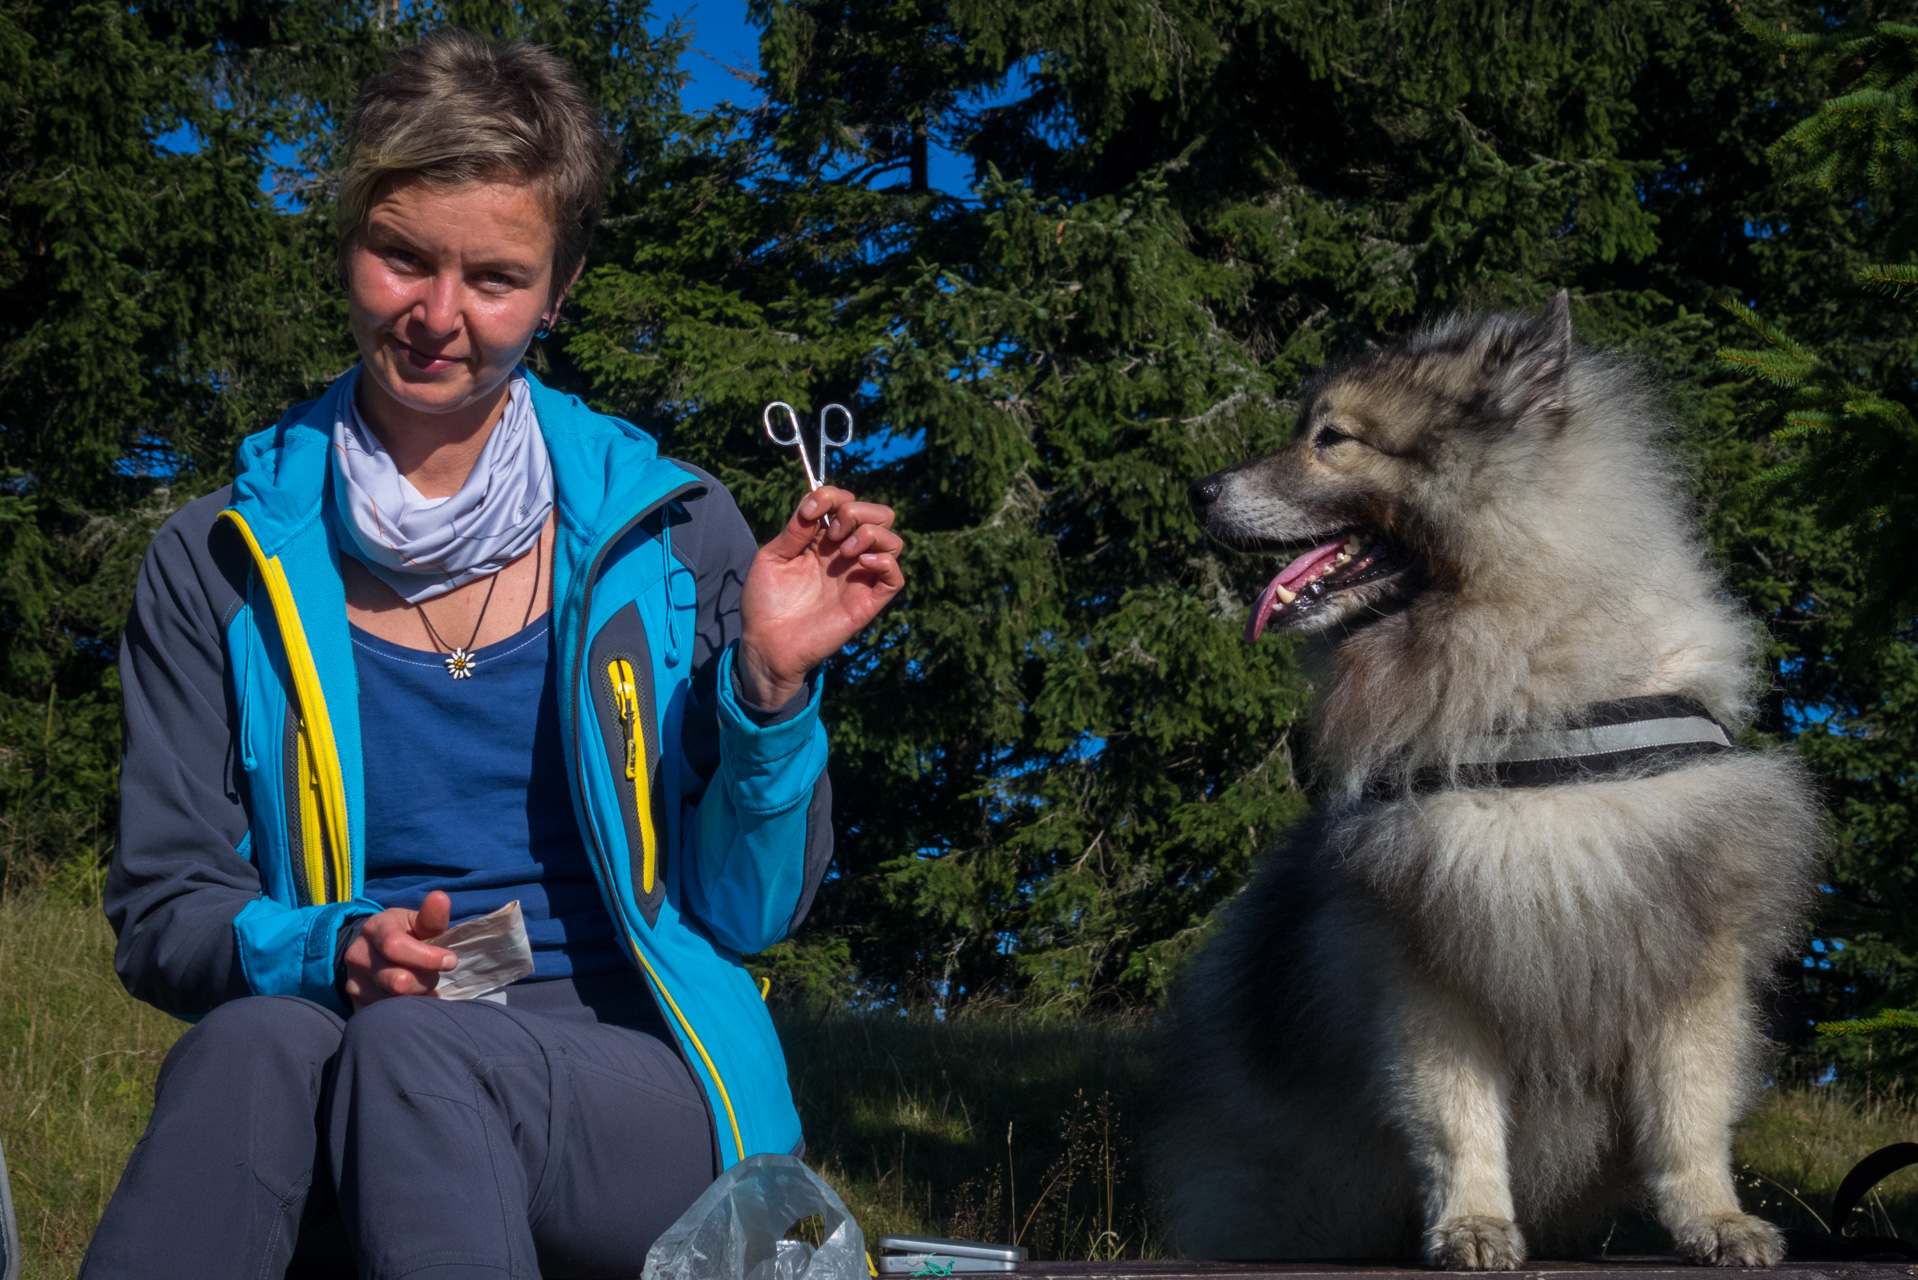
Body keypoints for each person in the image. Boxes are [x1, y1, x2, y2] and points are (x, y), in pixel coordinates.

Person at [82, 30, 903, 1280]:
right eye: (401, 254)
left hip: (637, 1087)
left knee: (418, 1053)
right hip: (346, 1043)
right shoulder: (220, 560)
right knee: (253, 1048)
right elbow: (164, 910)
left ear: (559, 289)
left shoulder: (673, 538)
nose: (437, 316)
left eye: (496, 276)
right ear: (347, 235)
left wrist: (770, 694)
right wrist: (331, 948)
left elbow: (751, 909)